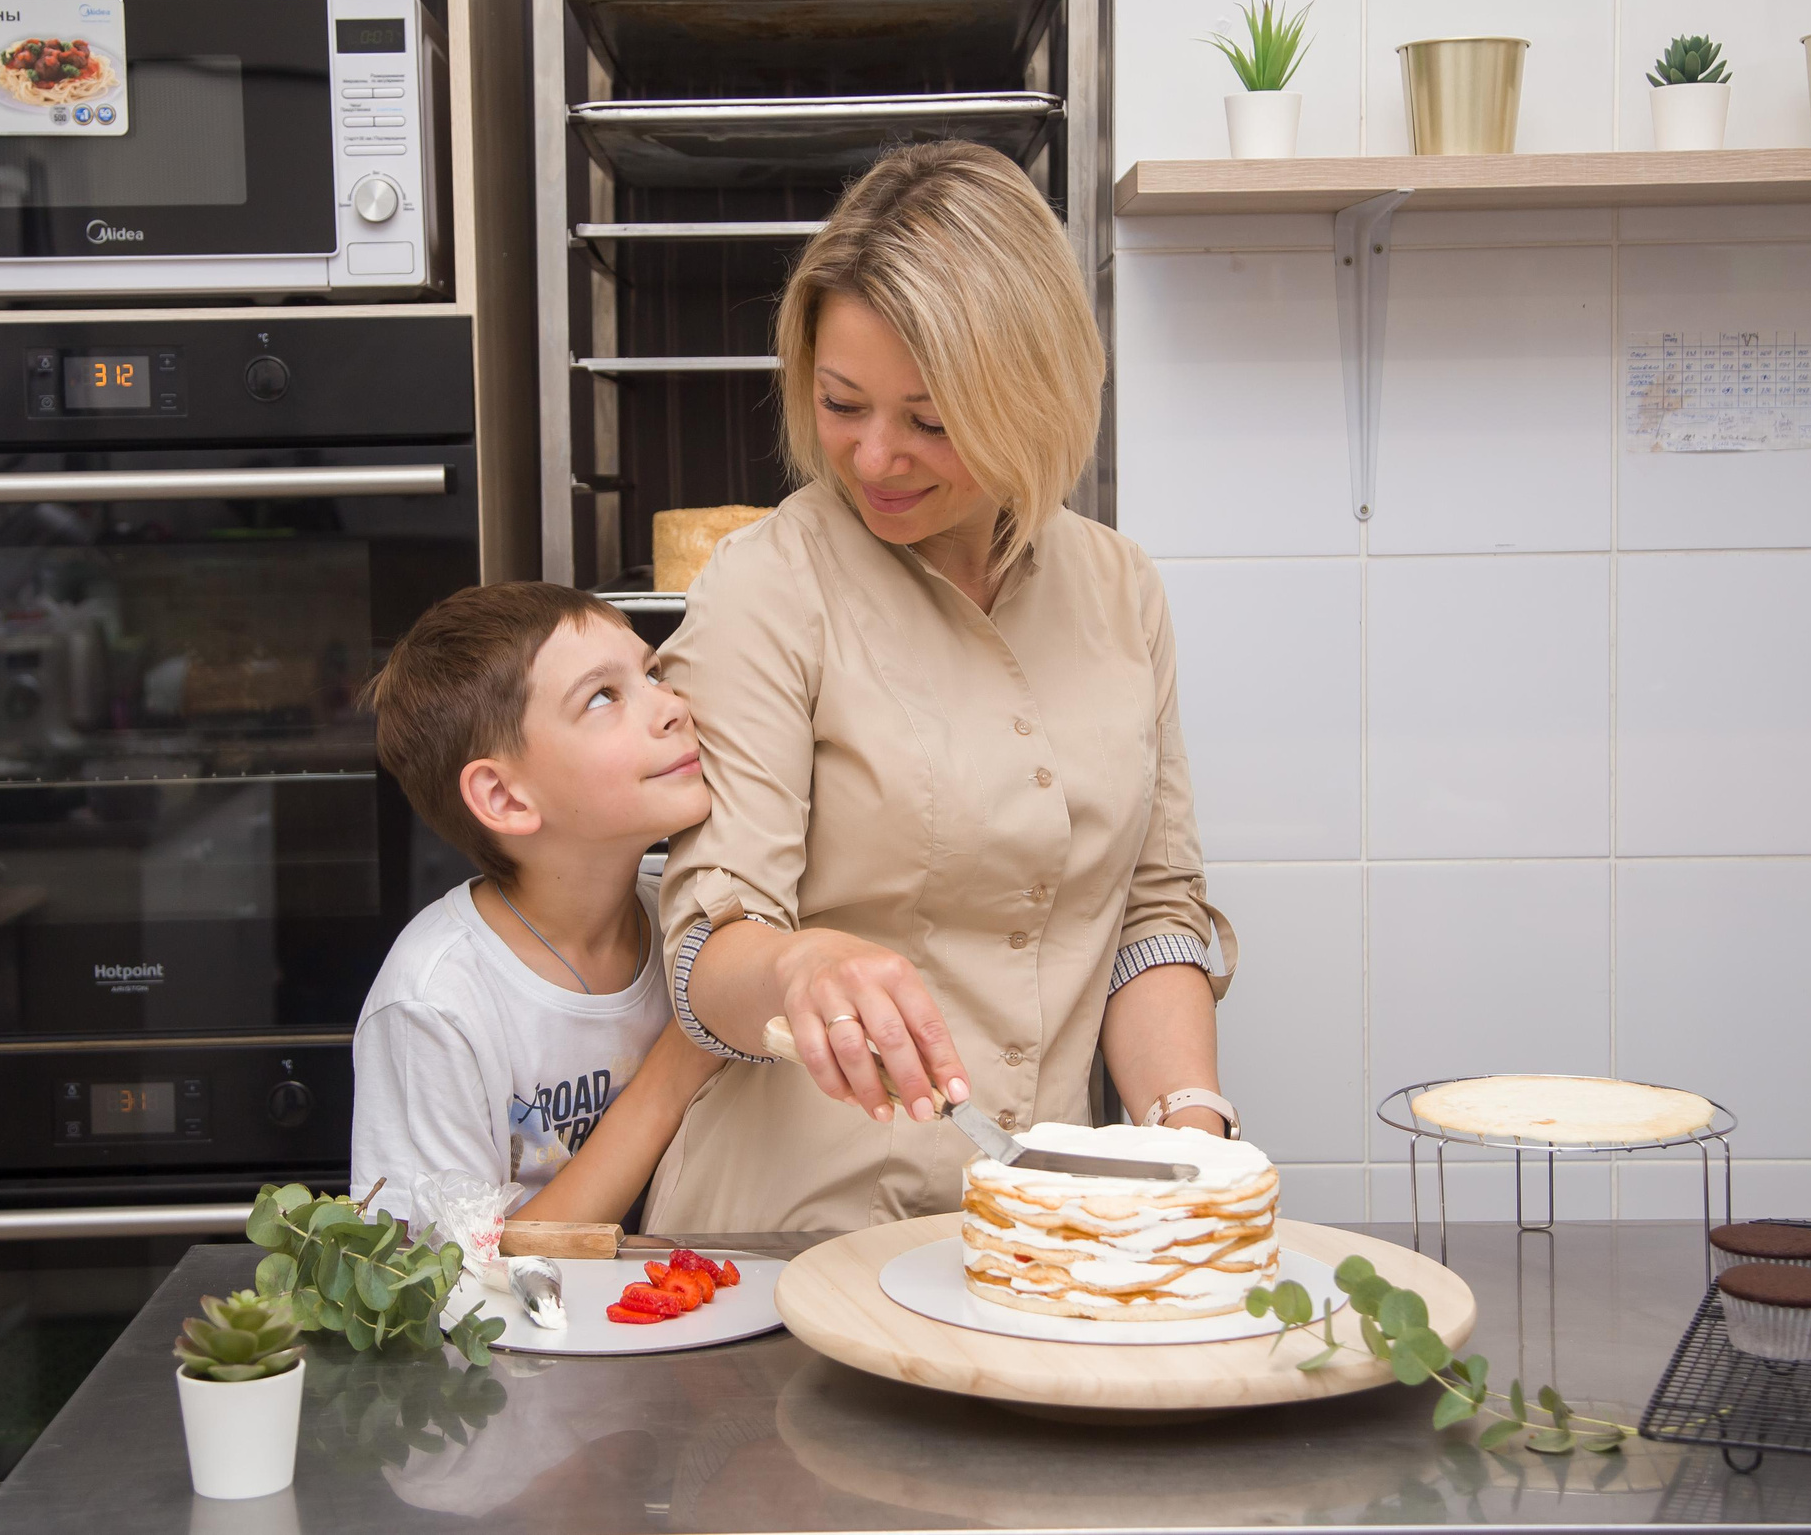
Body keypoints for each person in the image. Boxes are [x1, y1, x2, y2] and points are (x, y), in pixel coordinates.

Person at [643, 142, 1238, 1233]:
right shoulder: (768, 589)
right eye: (841, 404)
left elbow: (1152, 919)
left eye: (929, 420)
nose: (874, 458)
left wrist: (1187, 1138)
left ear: (1032, 393)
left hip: (1032, 1227)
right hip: (787, 1235)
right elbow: (703, 954)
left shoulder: (1118, 588)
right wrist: (796, 965)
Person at [351, 582, 722, 1227]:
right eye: (603, 696)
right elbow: (447, 1280)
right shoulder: (436, 1000)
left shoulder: (689, 916)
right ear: (506, 798)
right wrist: (684, 1055)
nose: (673, 707)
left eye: (653, 672)